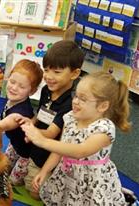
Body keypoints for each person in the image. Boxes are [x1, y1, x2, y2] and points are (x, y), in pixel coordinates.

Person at [21, 71, 130, 205]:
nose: (75, 101)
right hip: (68, 174)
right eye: (75, 96)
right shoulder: (71, 117)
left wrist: (42, 140)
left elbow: (80, 151)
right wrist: (44, 171)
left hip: (91, 181)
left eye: (83, 99)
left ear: (103, 106)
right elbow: (62, 148)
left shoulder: (104, 129)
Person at [18, 40, 84, 199]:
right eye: (46, 70)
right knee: (13, 176)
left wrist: (29, 130)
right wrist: (29, 122)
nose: (48, 76)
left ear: (74, 73)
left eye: (57, 72)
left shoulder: (70, 103)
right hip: (35, 142)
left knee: (35, 193)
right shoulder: (47, 90)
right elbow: (40, 114)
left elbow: (50, 133)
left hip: (50, 151)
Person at [0, 59, 43, 186]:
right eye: (12, 81)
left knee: (13, 182)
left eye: (21, 86)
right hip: (14, 144)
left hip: (26, 153)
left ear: (32, 91)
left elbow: (2, 125)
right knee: (2, 169)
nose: (14, 88)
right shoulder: (12, 99)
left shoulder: (21, 112)